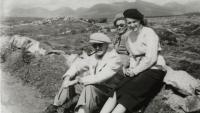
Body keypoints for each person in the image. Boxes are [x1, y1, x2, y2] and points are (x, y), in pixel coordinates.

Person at [100, 9, 166, 113]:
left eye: (134, 22)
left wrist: (135, 71)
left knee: (129, 92)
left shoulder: (149, 33)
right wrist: (129, 69)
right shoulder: (129, 36)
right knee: (117, 89)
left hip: (154, 69)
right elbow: (132, 56)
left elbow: (151, 58)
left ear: (140, 20)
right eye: (129, 23)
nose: (132, 25)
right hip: (138, 69)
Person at [44, 32, 122, 113]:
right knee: (71, 78)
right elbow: (77, 66)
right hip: (93, 89)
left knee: (89, 86)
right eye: (95, 45)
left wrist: (77, 80)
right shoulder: (94, 56)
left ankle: (82, 111)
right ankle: (55, 106)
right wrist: (68, 77)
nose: (98, 48)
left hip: (106, 93)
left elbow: (99, 78)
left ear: (106, 44)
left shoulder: (115, 59)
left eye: (100, 45)